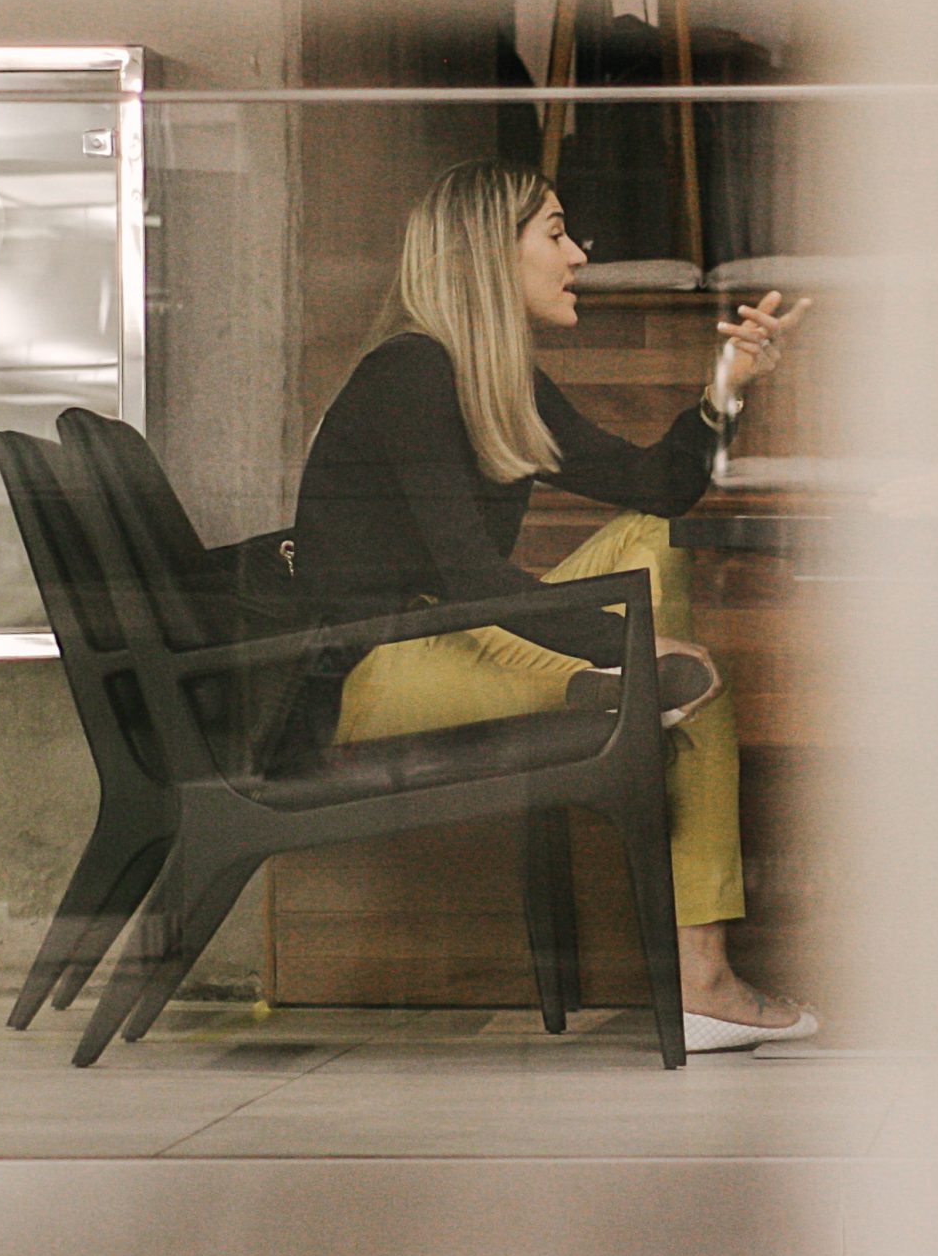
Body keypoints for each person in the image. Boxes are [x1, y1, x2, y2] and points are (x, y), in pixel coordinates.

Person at [291, 159, 813, 1053]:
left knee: (650, 532)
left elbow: (655, 484)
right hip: (375, 672)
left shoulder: (494, 377)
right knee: (685, 687)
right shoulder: (410, 373)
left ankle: (628, 683)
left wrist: (727, 383)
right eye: (556, 233)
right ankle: (703, 978)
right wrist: (623, 640)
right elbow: (465, 578)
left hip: (444, 638)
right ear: (490, 255)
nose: (577, 254)